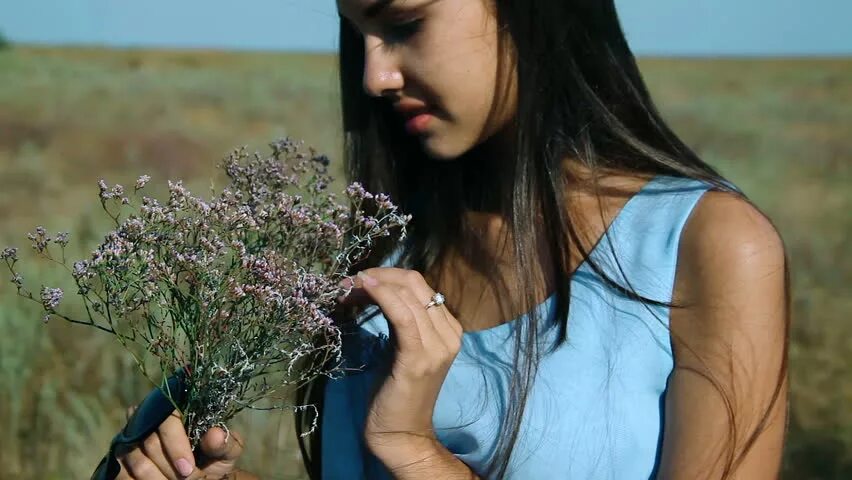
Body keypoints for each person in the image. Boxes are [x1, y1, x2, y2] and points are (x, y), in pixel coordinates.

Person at [113, 0, 790, 478]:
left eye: (405, 23)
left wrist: (414, 449)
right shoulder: (387, 258)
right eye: (359, 38)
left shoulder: (706, 247)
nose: (373, 77)